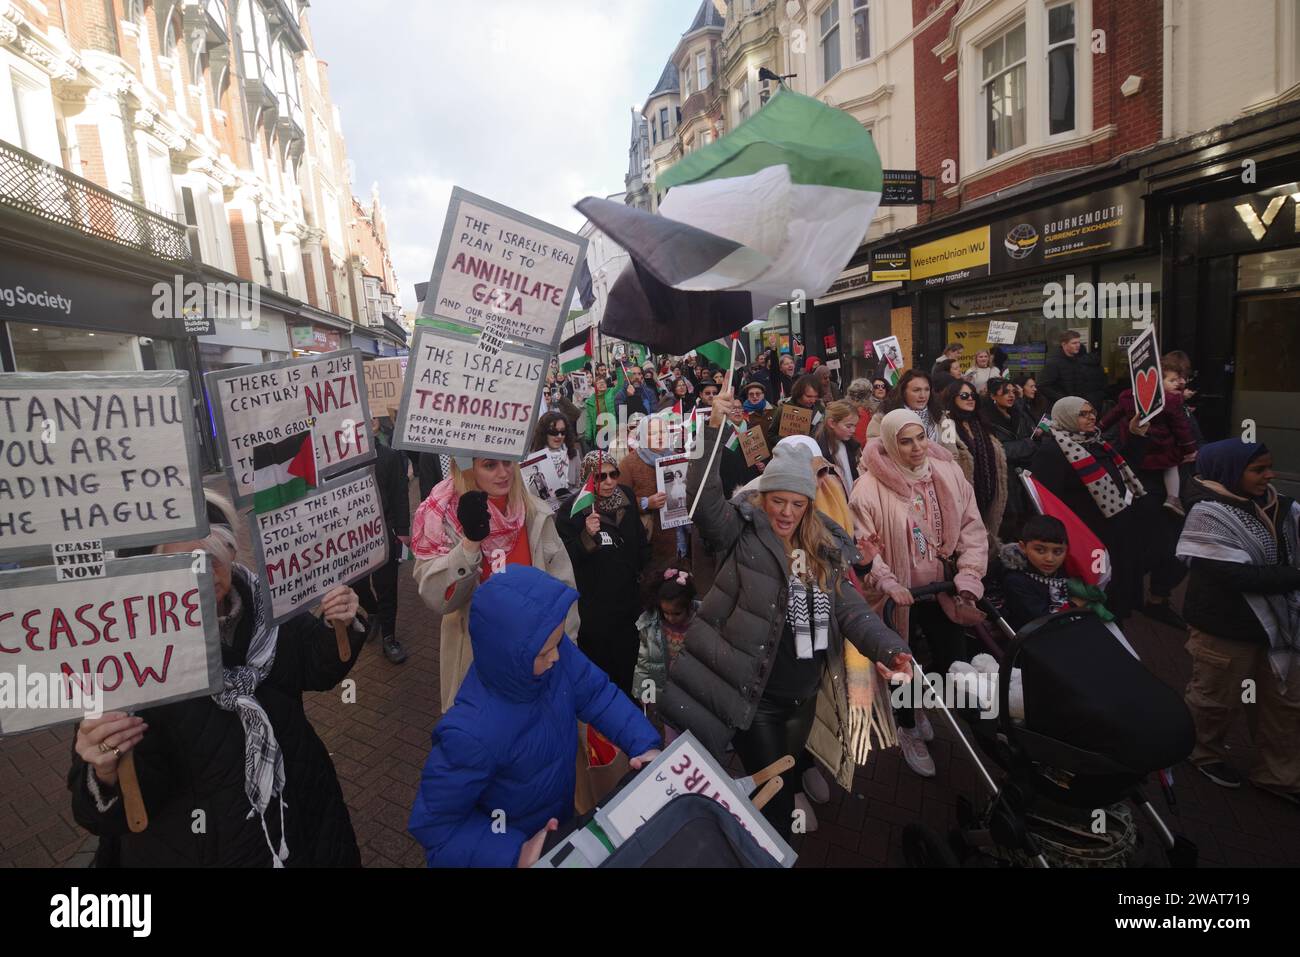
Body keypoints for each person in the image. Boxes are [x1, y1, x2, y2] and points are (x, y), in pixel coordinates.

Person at [662, 395, 914, 841]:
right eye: (778, 501)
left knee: (791, 763)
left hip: (803, 690)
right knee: (773, 799)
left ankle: (793, 792)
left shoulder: (823, 545)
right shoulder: (740, 530)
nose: (786, 513)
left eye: (797, 504)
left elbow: (850, 608)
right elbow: (704, 504)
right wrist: (712, 432)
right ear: (764, 495)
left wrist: (890, 648)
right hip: (753, 695)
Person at [70, 493, 366, 867]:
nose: (204, 575)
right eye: (184, 563)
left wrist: (337, 625)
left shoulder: (264, 607)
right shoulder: (131, 660)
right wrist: (105, 770)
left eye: (212, 557)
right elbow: (116, 813)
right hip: (203, 847)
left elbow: (314, 666)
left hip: (302, 809)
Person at [408, 566, 661, 867]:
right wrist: (515, 853)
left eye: (557, 643)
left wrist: (644, 744)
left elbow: (597, 694)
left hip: (557, 829)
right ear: (511, 657)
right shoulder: (470, 733)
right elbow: (437, 827)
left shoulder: (553, 654)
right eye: (545, 652)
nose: (556, 656)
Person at [850, 409, 989, 778]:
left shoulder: (949, 473)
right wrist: (888, 582)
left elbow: (973, 528)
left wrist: (970, 577)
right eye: (905, 441)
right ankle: (907, 724)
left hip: (943, 588)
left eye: (920, 438)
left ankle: (922, 707)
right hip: (901, 598)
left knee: (951, 659)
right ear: (891, 444)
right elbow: (864, 546)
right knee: (902, 666)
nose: (916, 449)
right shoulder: (867, 488)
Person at [1176, 439, 1300, 804]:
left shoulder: (1282, 507)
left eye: (1269, 467)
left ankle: (1279, 776)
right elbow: (1238, 576)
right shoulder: (1207, 514)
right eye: (1258, 470)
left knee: (1285, 704)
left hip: (1280, 629)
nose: (1269, 475)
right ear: (1230, 471)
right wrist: (1294, 574)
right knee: (1215, 698)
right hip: (1223, 628)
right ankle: (1203, 752)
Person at [411, 457, 580, 713]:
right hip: (480, 671)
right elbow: (437, 600)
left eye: (507, 463)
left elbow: (563, 589)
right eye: (490, 465)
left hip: (539, 663)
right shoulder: (441, 517)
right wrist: (469, 545)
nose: (503, 473)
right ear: (469, 468)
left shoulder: (535, 513)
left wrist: (566, 649)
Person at [1028, 397, 1149, 621]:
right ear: (1066, 417)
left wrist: (1135, 435)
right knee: (1098, 589)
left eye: (1092, 412)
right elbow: (1048, 501)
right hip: (1087, 536)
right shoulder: (1053, 451)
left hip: (1115, 530)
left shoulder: (1097, 443)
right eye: (1082, 414)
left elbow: (1126, 469)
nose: (1091, 417)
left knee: (1117, 587)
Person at [555, 452, 650, 698]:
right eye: (601, 476)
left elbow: (638, 539)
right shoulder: (571, 512)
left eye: (613, 474)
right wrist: (586, 536)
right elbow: (566, 560)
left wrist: (643, 569)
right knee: (601, 668)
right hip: (596, 606)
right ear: (588, 479)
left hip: (628, 601)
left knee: (629, 662)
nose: (609, 481)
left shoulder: (626, 497)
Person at [1099, 362, 1197, 518]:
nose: (1178, 384)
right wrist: (1189, 448)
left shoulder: (1129, 397)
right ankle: (1173, 497)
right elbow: (1181, 428)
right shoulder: (1170, 401)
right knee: (1171, 468)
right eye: (1172, 381)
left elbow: (1114, 414)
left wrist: (1100, 427)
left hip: (1138, 447)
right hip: (1162, 447)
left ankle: (1132, 494)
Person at [998, 514, 1114, 630]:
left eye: (1057, 552)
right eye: (1040, 550)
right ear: (1023, 547)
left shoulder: (1067, 569)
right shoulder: (1015, 581)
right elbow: (1041, 622)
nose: (1049, 559)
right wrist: (1075, 604)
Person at [359, 434, 412, 664]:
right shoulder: (339, 460)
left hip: (385, 532)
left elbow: (400, 493)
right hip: (354, 538)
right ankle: (373, 612)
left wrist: (402, 530)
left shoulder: (389, 456)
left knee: (386, 586)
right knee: (357, 584)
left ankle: (389, 637)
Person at [943, 380, 1007, 546]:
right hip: (964, 497)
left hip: (989, 494)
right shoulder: (947, 424)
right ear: (953, 398)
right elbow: (948, 459)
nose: (970, 399)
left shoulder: (981, 423)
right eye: (964, 395)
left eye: (973, 395)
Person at [632, 564, 699, 711]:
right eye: (666, 612)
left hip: (693, 692)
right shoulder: (652, 626)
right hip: (666, 690)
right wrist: (644, 691)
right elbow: (645, 660)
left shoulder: (701, 624)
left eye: (676, 613)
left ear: (688, 606)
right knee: (670, 727)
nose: (670, 618)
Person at [983, 377, 1040, 540]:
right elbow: (999, 450)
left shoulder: (1020, 414)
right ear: (993, 396)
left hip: (1025, 476)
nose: (1011, 395)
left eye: (1013, 391)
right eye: (1005, 392)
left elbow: (1030, 437)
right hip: (1004, 478)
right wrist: (1028, 444)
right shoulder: (987, 419)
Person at [616, 414, 677, 562]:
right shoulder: (628, 464)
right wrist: (646, 503)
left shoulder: (675, 458)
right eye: (652, 433)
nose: (659, 437)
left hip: (675, 534)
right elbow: (619, 501)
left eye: (662, 431)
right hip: (648, 536)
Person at [866, 369, 951, 451]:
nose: (923, 395)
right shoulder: (883, 416)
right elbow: (874, 448)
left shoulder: (943, 418)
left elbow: (952, 453)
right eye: (916, 390)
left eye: (926, 389)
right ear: (903, 392)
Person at [1038, 331, 1106, 409]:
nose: (1078, 345)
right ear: (1064, 344)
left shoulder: (1079, 360)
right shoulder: (1054, 362)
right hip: (1062, 407)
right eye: (1074, 343)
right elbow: (1043, 385)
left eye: (1079, 342)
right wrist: (1063, 399)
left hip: (1079, 406)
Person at [815, 399, 861, 497]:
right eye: (848, 426)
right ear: (831, 423)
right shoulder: (820, 450)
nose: (853, 430)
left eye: (855, 426)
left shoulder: (851, 446)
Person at [766, 373, 825, 447]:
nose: (813, 400)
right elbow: (771, 435)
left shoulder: (819, 410)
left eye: (815, 396)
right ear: (799, 393)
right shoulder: (784, 409)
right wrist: (787, 441)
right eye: (809, 396)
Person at [530, 410, 581, 493]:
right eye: (554, 432)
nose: (559, 436)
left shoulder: (573, 454)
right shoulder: (533, 458)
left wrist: (568, 497)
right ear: (544, 433)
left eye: (563, 432)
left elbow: (580, 485)